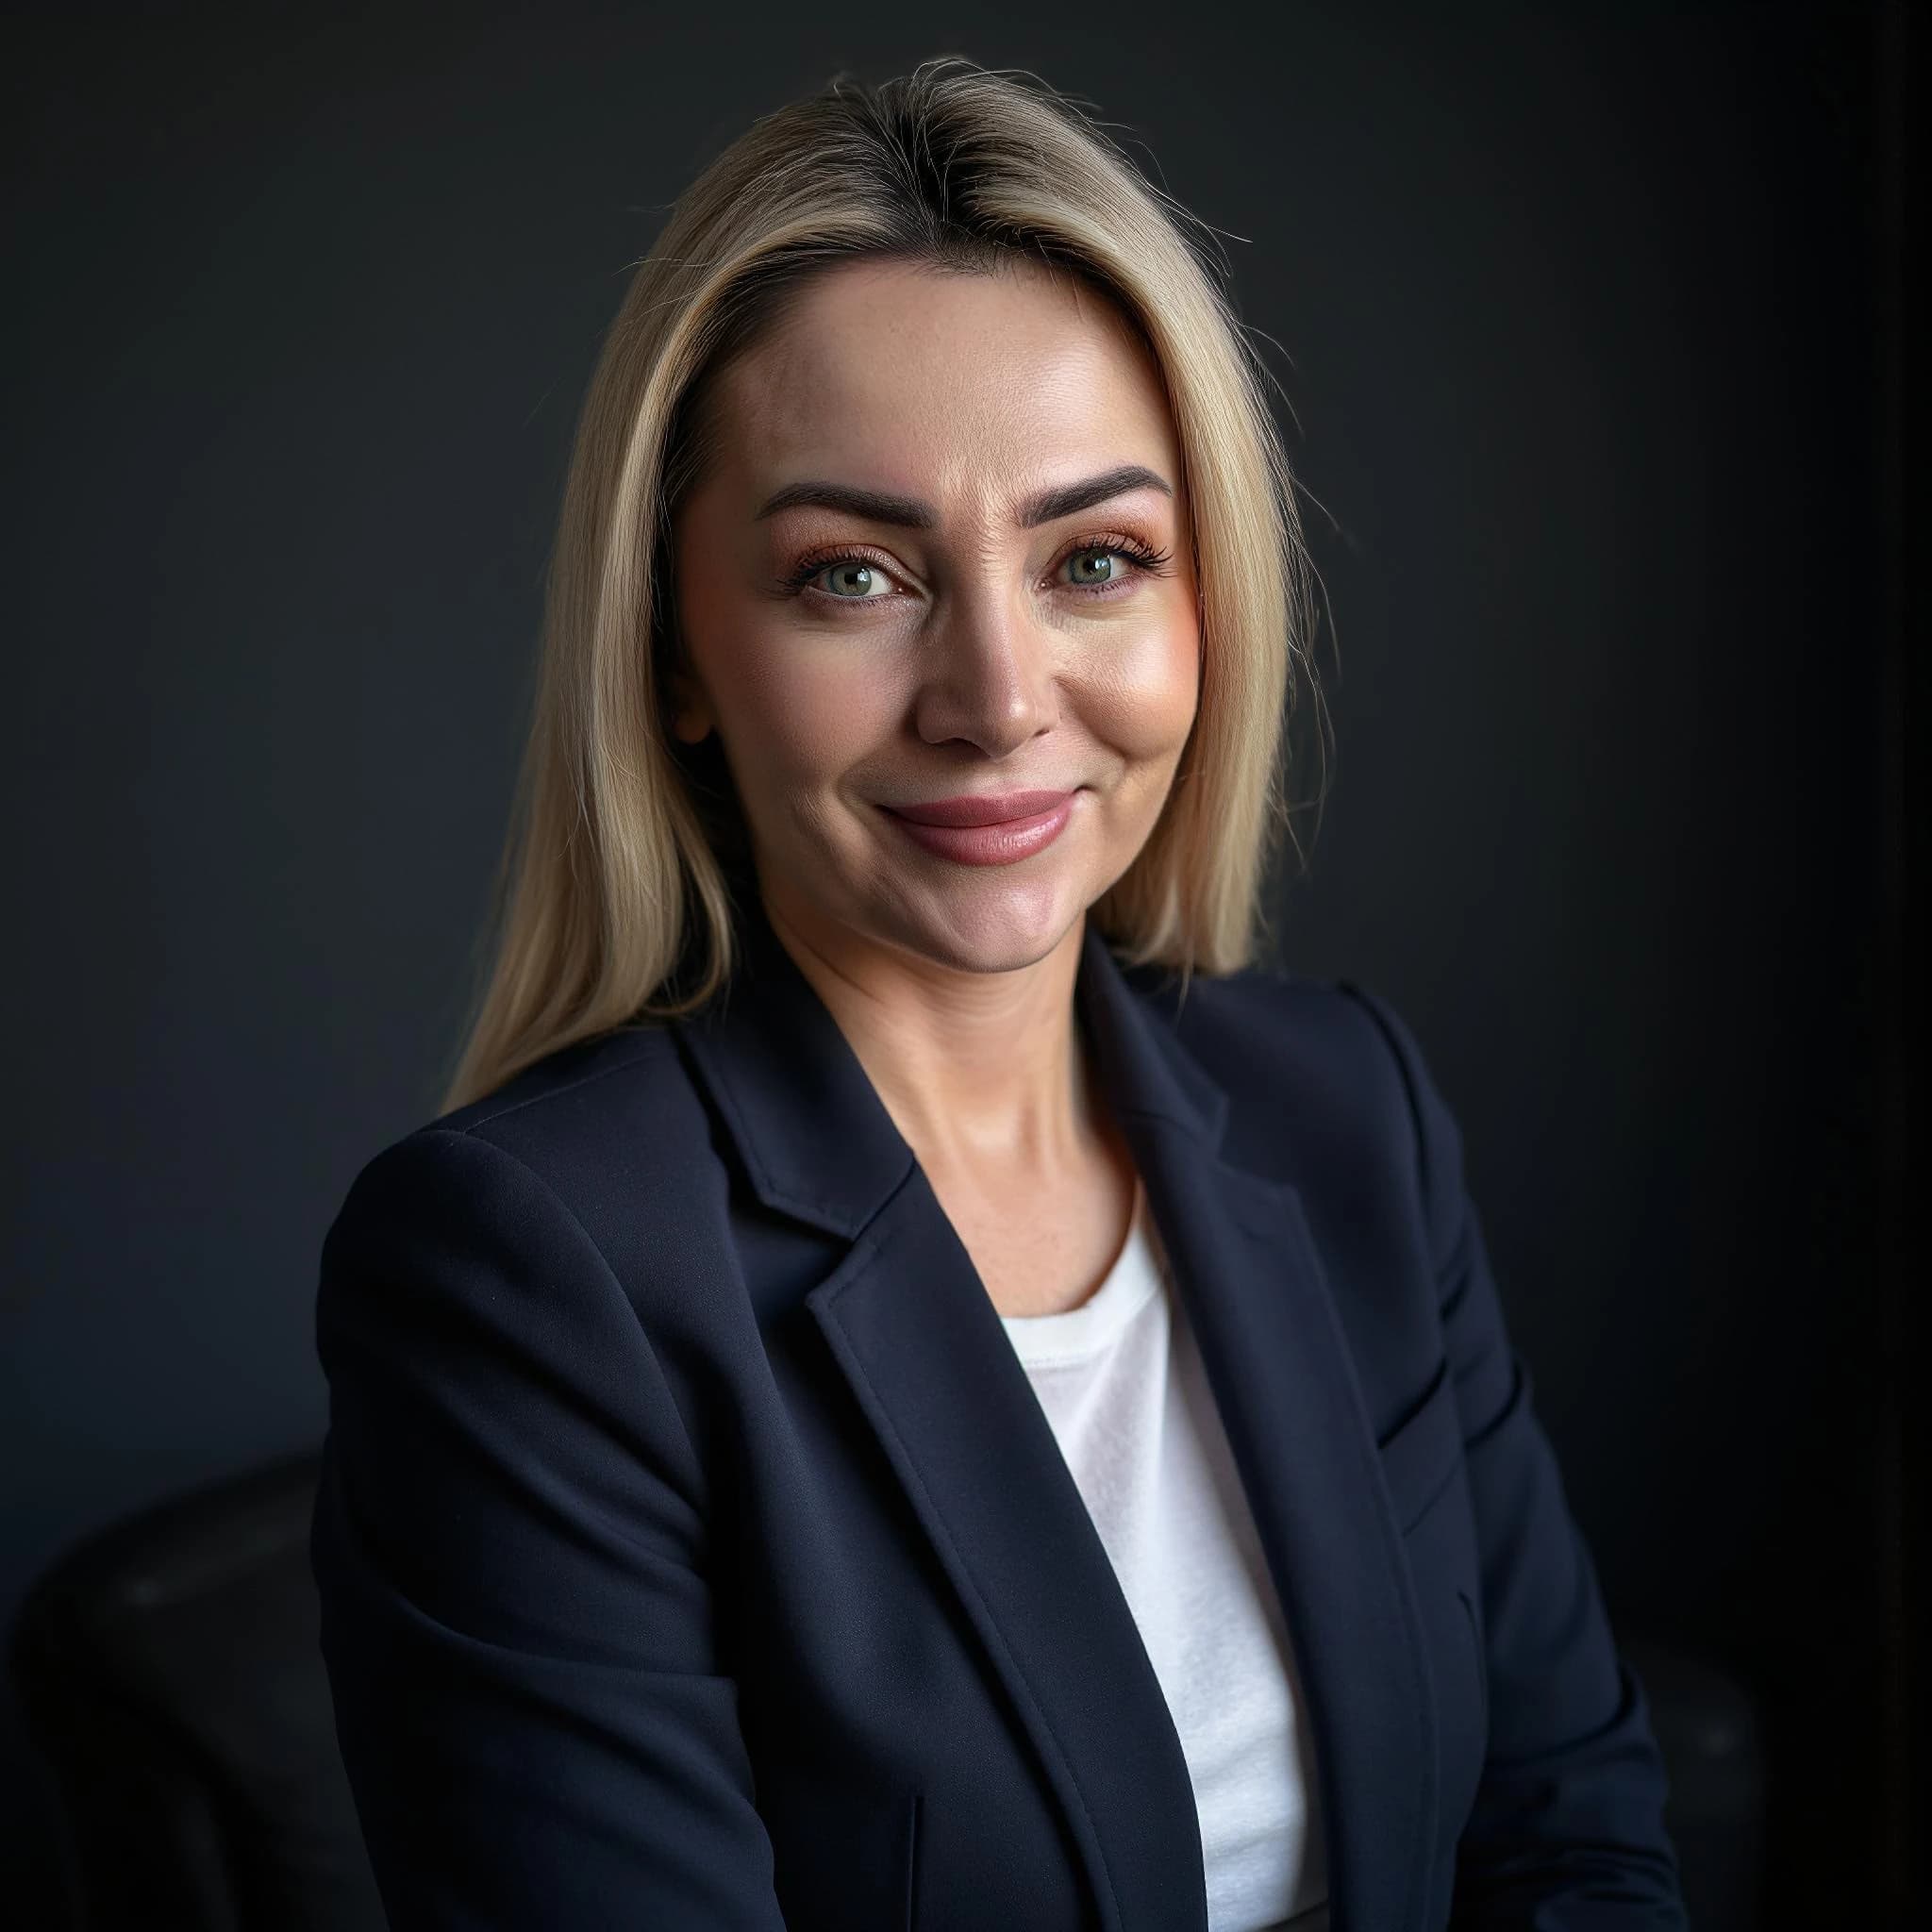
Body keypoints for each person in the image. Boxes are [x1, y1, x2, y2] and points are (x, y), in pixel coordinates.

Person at [308, 54, 1688, 1932]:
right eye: (853, 576)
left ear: (1205, 604)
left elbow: (1570, 1833)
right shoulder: (531, 1274)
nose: (1000, 698)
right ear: (677, 652)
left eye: (1095, 559)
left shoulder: (1342, 1111)